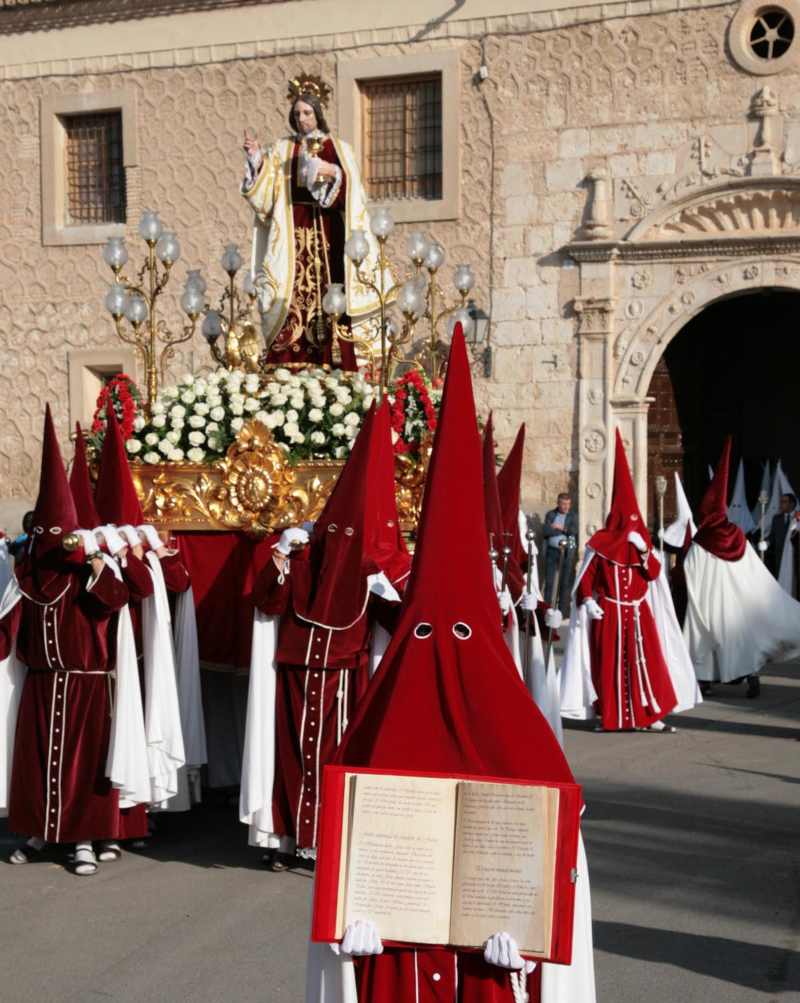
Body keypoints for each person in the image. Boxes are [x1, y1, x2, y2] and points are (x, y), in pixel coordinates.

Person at [306, 328, 596, 1003]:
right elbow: (345, 856)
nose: (443, 650)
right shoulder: (376, 736)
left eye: (463, 632)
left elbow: (564, 886)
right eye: (428, 630)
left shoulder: (529, 752)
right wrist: (344, 948)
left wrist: (530, 951)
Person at [241, 400, 409, 870]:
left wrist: (397, 589)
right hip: (295, 671)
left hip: (342, 675)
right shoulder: (301, 560)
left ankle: (328, 838)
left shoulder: (368, 573)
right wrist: (278, 561)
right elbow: (269, 603)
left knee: (333, 757)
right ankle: (287, 835)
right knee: (291, 757)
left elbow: (395, 623)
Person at [1, 406, 146, 876]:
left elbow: (117, 600)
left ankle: (83, 837)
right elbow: (8, 629)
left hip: (86, 683)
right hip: (42, 683)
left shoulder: (87, 568)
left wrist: (98, 565)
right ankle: (41, 829)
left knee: (83, 767)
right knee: (38, 763)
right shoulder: (26, 573)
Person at [241, 73, 389, 368]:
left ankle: (334, 354)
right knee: (289, 298)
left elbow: (352, 192)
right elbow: (264, 199)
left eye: (307, 112)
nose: (301, 118)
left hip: (329, 236)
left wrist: (329, 172)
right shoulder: (282, 150)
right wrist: (257, 160)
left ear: (318, 113)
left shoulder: (339, 148)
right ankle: (288, 361)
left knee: (331, 292)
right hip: (292, 237)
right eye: (296, 113)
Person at [561, 431, 678, 732]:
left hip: (638, 614)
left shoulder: (642, 545)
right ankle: (611, 716)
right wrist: (587, 600)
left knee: (644, 663)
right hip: (610, 612)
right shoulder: (600, 544)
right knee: (610, 665)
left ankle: (650, 716)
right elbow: (586, 577)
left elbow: (652, 574)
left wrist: (642, 550)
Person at [683, 438, 800, 699]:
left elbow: (691, 568)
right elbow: (752, 569)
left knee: (708, 639)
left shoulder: (701, 540)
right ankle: (750, 676)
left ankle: (705, 681)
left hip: (709, 600)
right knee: (741, 641)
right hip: (736, 602)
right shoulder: (735, 535)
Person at [542, 493, 578, 614]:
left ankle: (562, 611)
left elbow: (573, 531)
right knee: (549, 581)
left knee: (565, 581)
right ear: (558, 503)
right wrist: (560, 530)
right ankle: (546, 609)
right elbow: (546, 531)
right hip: (552, 552)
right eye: (563, 504)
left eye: (568, 504)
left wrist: (559, 527)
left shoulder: (573, 516)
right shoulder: (551, 514)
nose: (566, 507)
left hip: (567, 552)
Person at [764, 493, 797, 577]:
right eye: (781, 502)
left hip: (794, 556)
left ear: (792, 504)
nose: (781, 504)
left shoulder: (798, 517)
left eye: (784, 502)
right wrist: (766, 543)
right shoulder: (776, 519)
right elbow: (772, 536)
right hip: (779, 555)